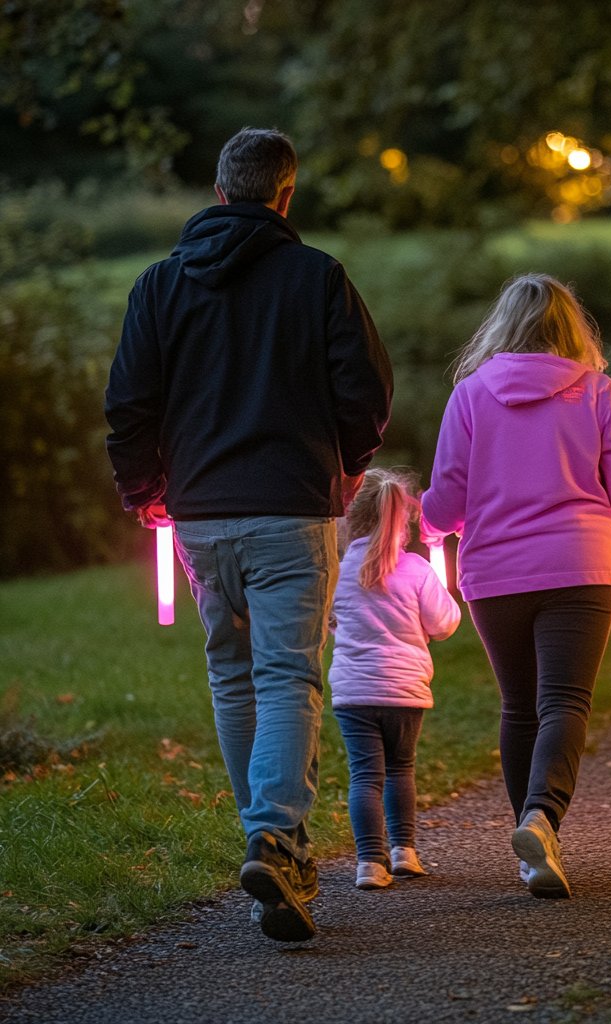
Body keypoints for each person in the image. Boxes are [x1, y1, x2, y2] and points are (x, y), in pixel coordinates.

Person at [105, 127, 393, 942]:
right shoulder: (318, 279)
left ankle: (271, 842)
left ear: (219, 189)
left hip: (199, 516)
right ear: (286, 194)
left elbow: (127, 406)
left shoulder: (159, 286)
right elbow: (366, 389)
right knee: (289, 676)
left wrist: (146, 492)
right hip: (292, 510)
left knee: (233, 676)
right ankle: (275, 833)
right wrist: (349, 464)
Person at [420, 274, 611, 899]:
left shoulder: (470, 395)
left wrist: (424, 518)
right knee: (564, 703)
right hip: (581, 561)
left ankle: (531, 852)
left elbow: (445, 502)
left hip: (494, 571)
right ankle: (541, 820)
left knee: (519, 706)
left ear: (501, 326)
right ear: (572, 329)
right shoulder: (598, 391)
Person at [328, 469, 461, 891]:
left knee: (365, 774)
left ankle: (370, 862)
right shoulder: (417, 570)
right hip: (404, 691)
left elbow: (328, 619)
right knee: (401, 768)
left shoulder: (336, 571)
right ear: (402, 521)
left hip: (353, 693)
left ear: (350, 517)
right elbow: (443, 624)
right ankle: (405, 851)